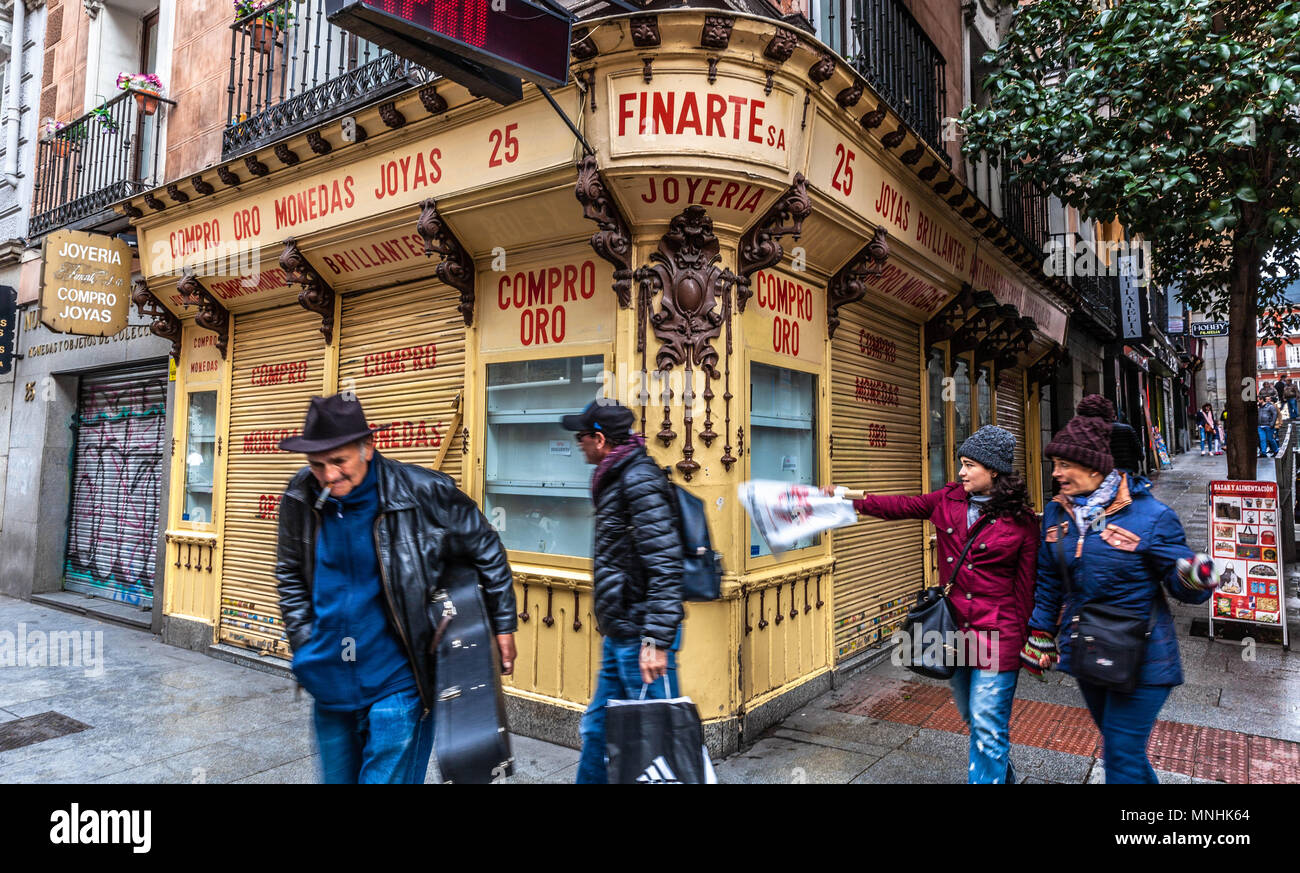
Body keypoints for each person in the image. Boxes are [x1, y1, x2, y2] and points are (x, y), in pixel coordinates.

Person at [275, 393, 517, 783]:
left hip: (399, 685)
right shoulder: (300, 496)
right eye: (317, 465)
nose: (329, 476)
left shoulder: (422, 492)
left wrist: (503, 624)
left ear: (368, 447)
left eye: (339, 461)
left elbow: (486, 546)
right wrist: (304, 644)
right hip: (329, 684)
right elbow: (289, 574)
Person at [1020, 395, 1217, 784]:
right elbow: (1049, 580)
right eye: (1055, 464)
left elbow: (1185, 588)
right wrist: (1040, 632)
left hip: (1143, 659)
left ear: (1094, 466)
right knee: (1122, 753)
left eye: (1065, 465)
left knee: (1121, 759)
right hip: (1088, 651)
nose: (1056, 473)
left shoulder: (1151, 516)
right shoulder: (1059, 512)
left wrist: (1195, 576)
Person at [845, 425, 1038, 784]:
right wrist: (849, 499)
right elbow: (900, 506)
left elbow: (1026, 589)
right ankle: (1001, 775)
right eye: (961, 464)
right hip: (955, 632)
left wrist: (1027, 639)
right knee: (974, 717)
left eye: (969, 465)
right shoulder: (946, 500)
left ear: (993, 470)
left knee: (987, 724)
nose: (961, 472)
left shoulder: (1022, 523)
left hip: (999, 634)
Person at [563, 400, 685, 784]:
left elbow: (665, 565)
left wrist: (656, 641)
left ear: (599, 439)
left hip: (641, 640)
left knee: (655, 747)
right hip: (620, 634)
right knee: (597, 732)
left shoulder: (638, 479)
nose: (577, 443)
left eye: (581, 436)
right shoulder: (615, 476)